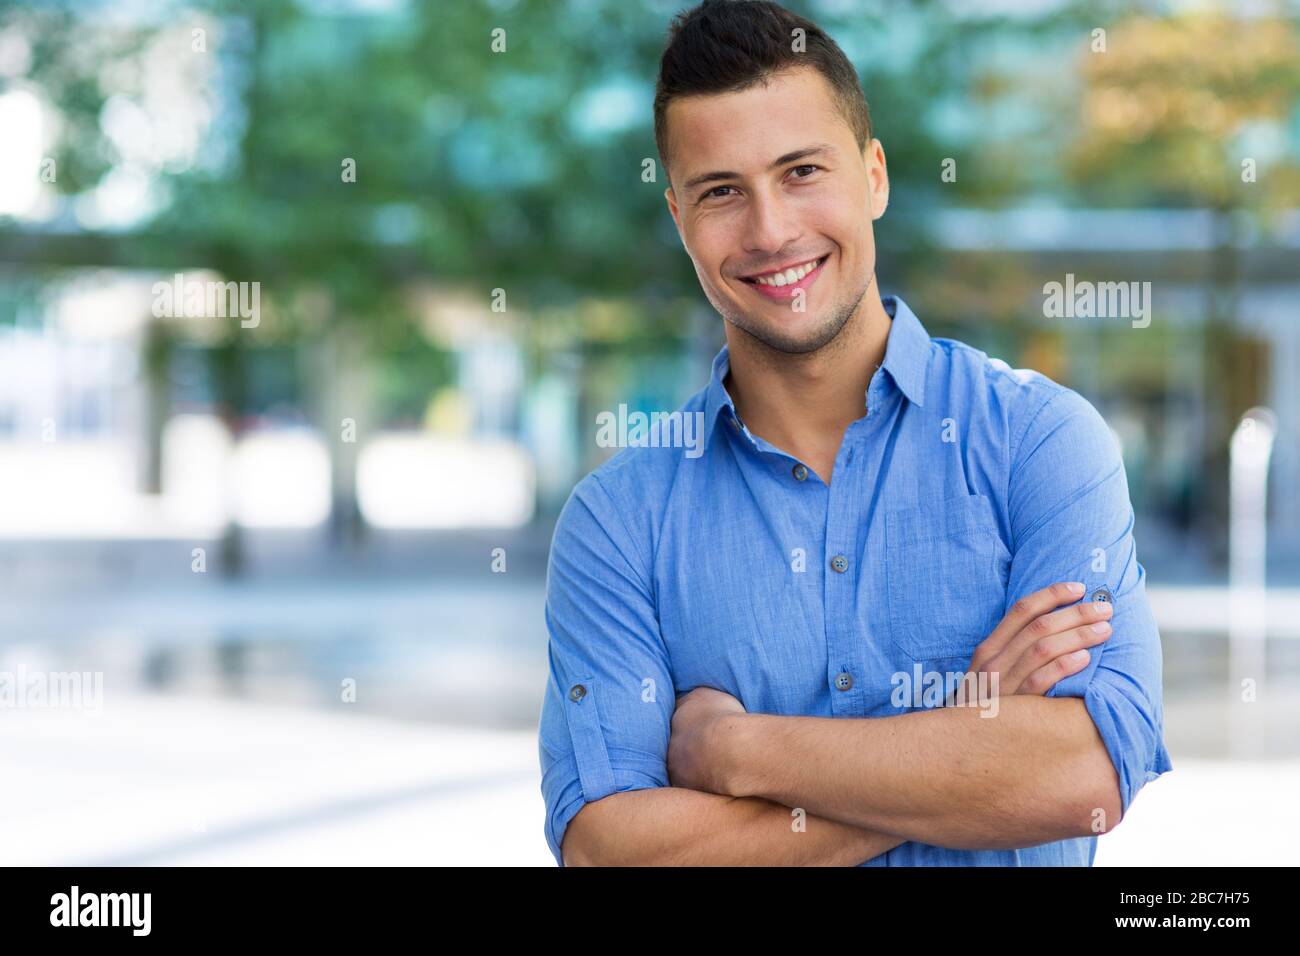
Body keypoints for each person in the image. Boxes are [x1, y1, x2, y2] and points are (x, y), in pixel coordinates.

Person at [538, 0, 1171, 866]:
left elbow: (1084, 778)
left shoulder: (1039, 443)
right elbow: (616, 854)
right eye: (722, 192)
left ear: (874, 175)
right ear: (679, 219)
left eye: (802, 172)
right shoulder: (618, 522)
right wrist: (966, 750)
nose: (771, 231)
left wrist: (735, 751)